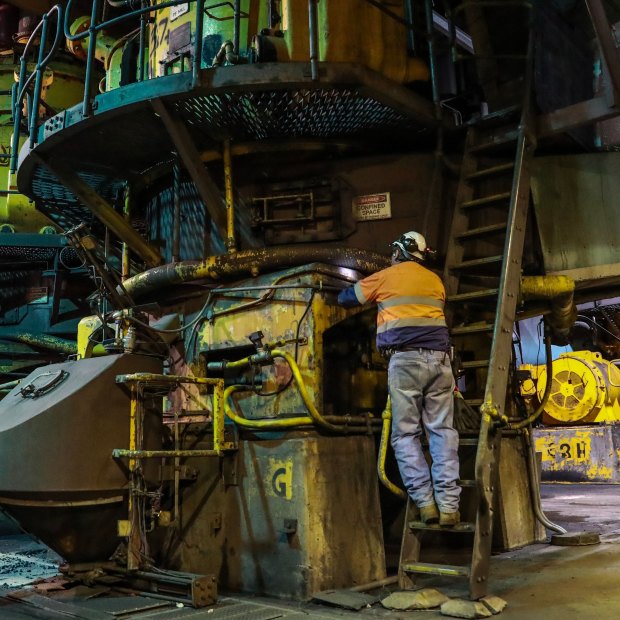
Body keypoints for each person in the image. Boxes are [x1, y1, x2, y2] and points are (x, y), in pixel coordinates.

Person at [337, 231, 460, 526]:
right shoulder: (435, 280)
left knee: (405, 434)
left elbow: (346, 298)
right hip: (441, 361)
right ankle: (449, 507)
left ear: (399, 252)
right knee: (442, 431)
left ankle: (425, 503)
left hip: (405, 361)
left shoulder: (387, 276)